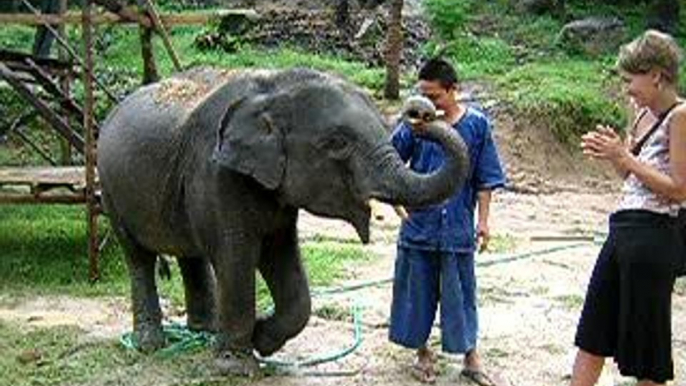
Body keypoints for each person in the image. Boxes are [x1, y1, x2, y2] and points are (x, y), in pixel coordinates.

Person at [572, 29, 686, 386]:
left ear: (656, 74)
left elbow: (680, 189)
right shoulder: (640, 114)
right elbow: (631, 178)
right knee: (593, 330)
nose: (627, 88)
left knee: (646, 346)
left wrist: (625, 157)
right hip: (623, 228)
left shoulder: (681, 116)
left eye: (631, 78)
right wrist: (613, 154)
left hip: (655, 234)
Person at [388, 57, 506, 385]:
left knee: (461, 292)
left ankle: (471, 355)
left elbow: (485, 178)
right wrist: (398, 203)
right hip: (419, 226)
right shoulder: (416, 124)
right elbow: (389, 162)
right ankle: (422, 352)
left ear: (454, 91)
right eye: (423, 95)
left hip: (456, 227)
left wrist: (483, 221)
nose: (429, 103)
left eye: (435, 96)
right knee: (416, 291)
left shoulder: (476, 125)